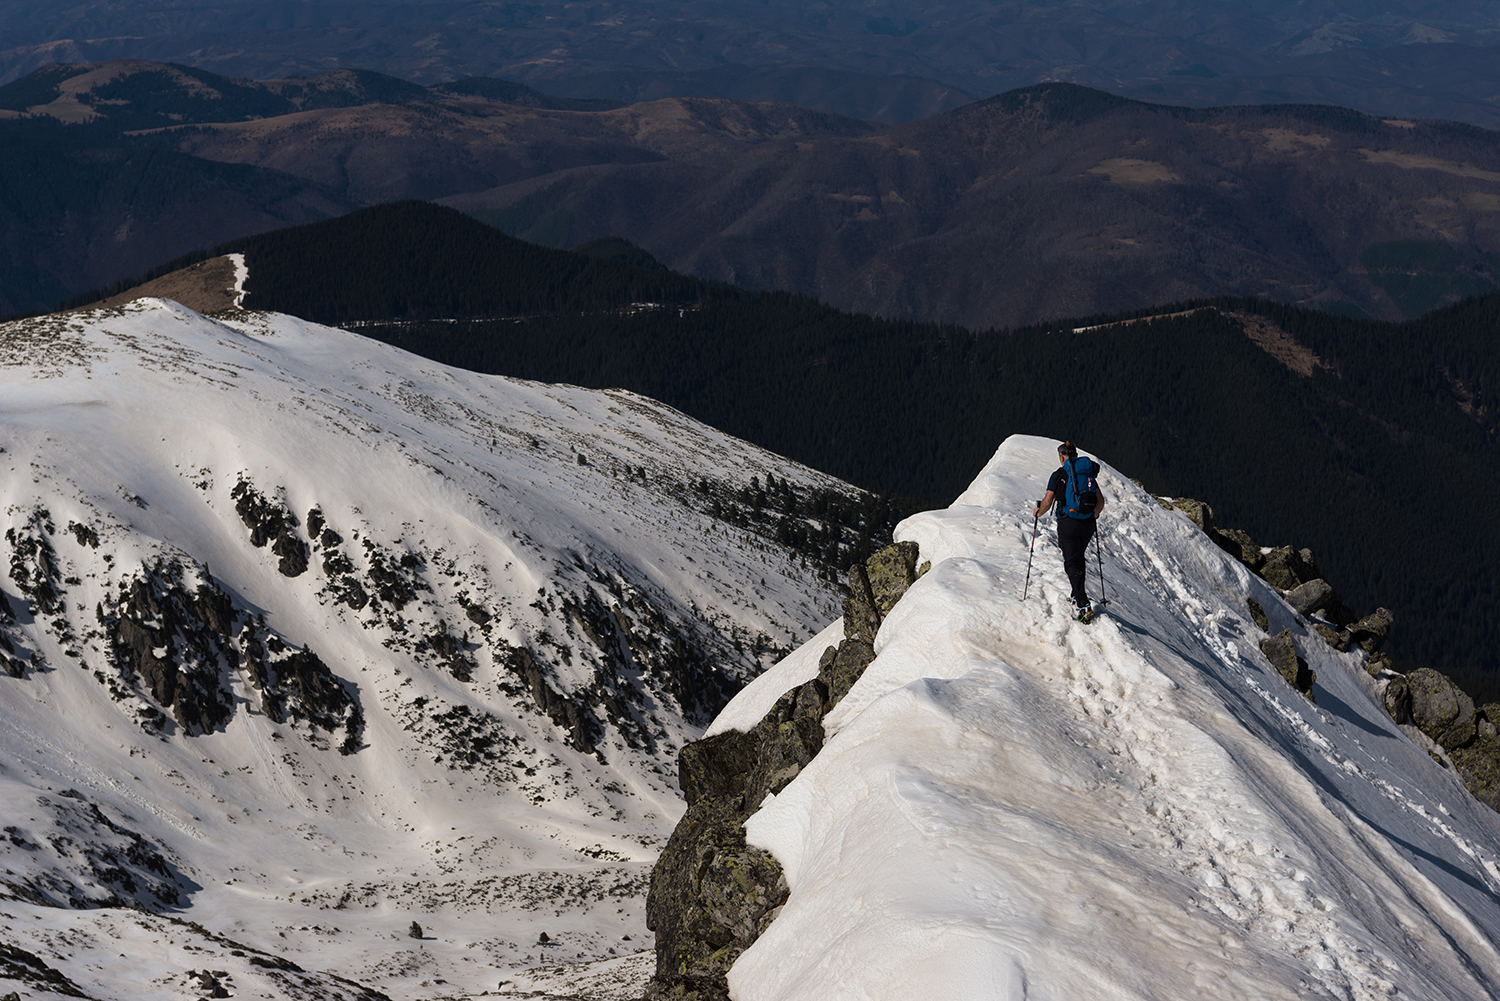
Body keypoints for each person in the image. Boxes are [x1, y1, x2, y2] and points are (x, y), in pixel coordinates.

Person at [1033, 441, 1106, 616]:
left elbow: (1048, 501)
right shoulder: (1087, 473)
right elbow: (1100, 500)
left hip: (1068, 523)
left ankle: (1083, 604)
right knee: (1078, 558)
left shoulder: (1059, 474)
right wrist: (1094, 515)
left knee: (1072, 562)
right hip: (1087, 523)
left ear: (1061, 456)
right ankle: (1076, 594)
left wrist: (1037, 513)